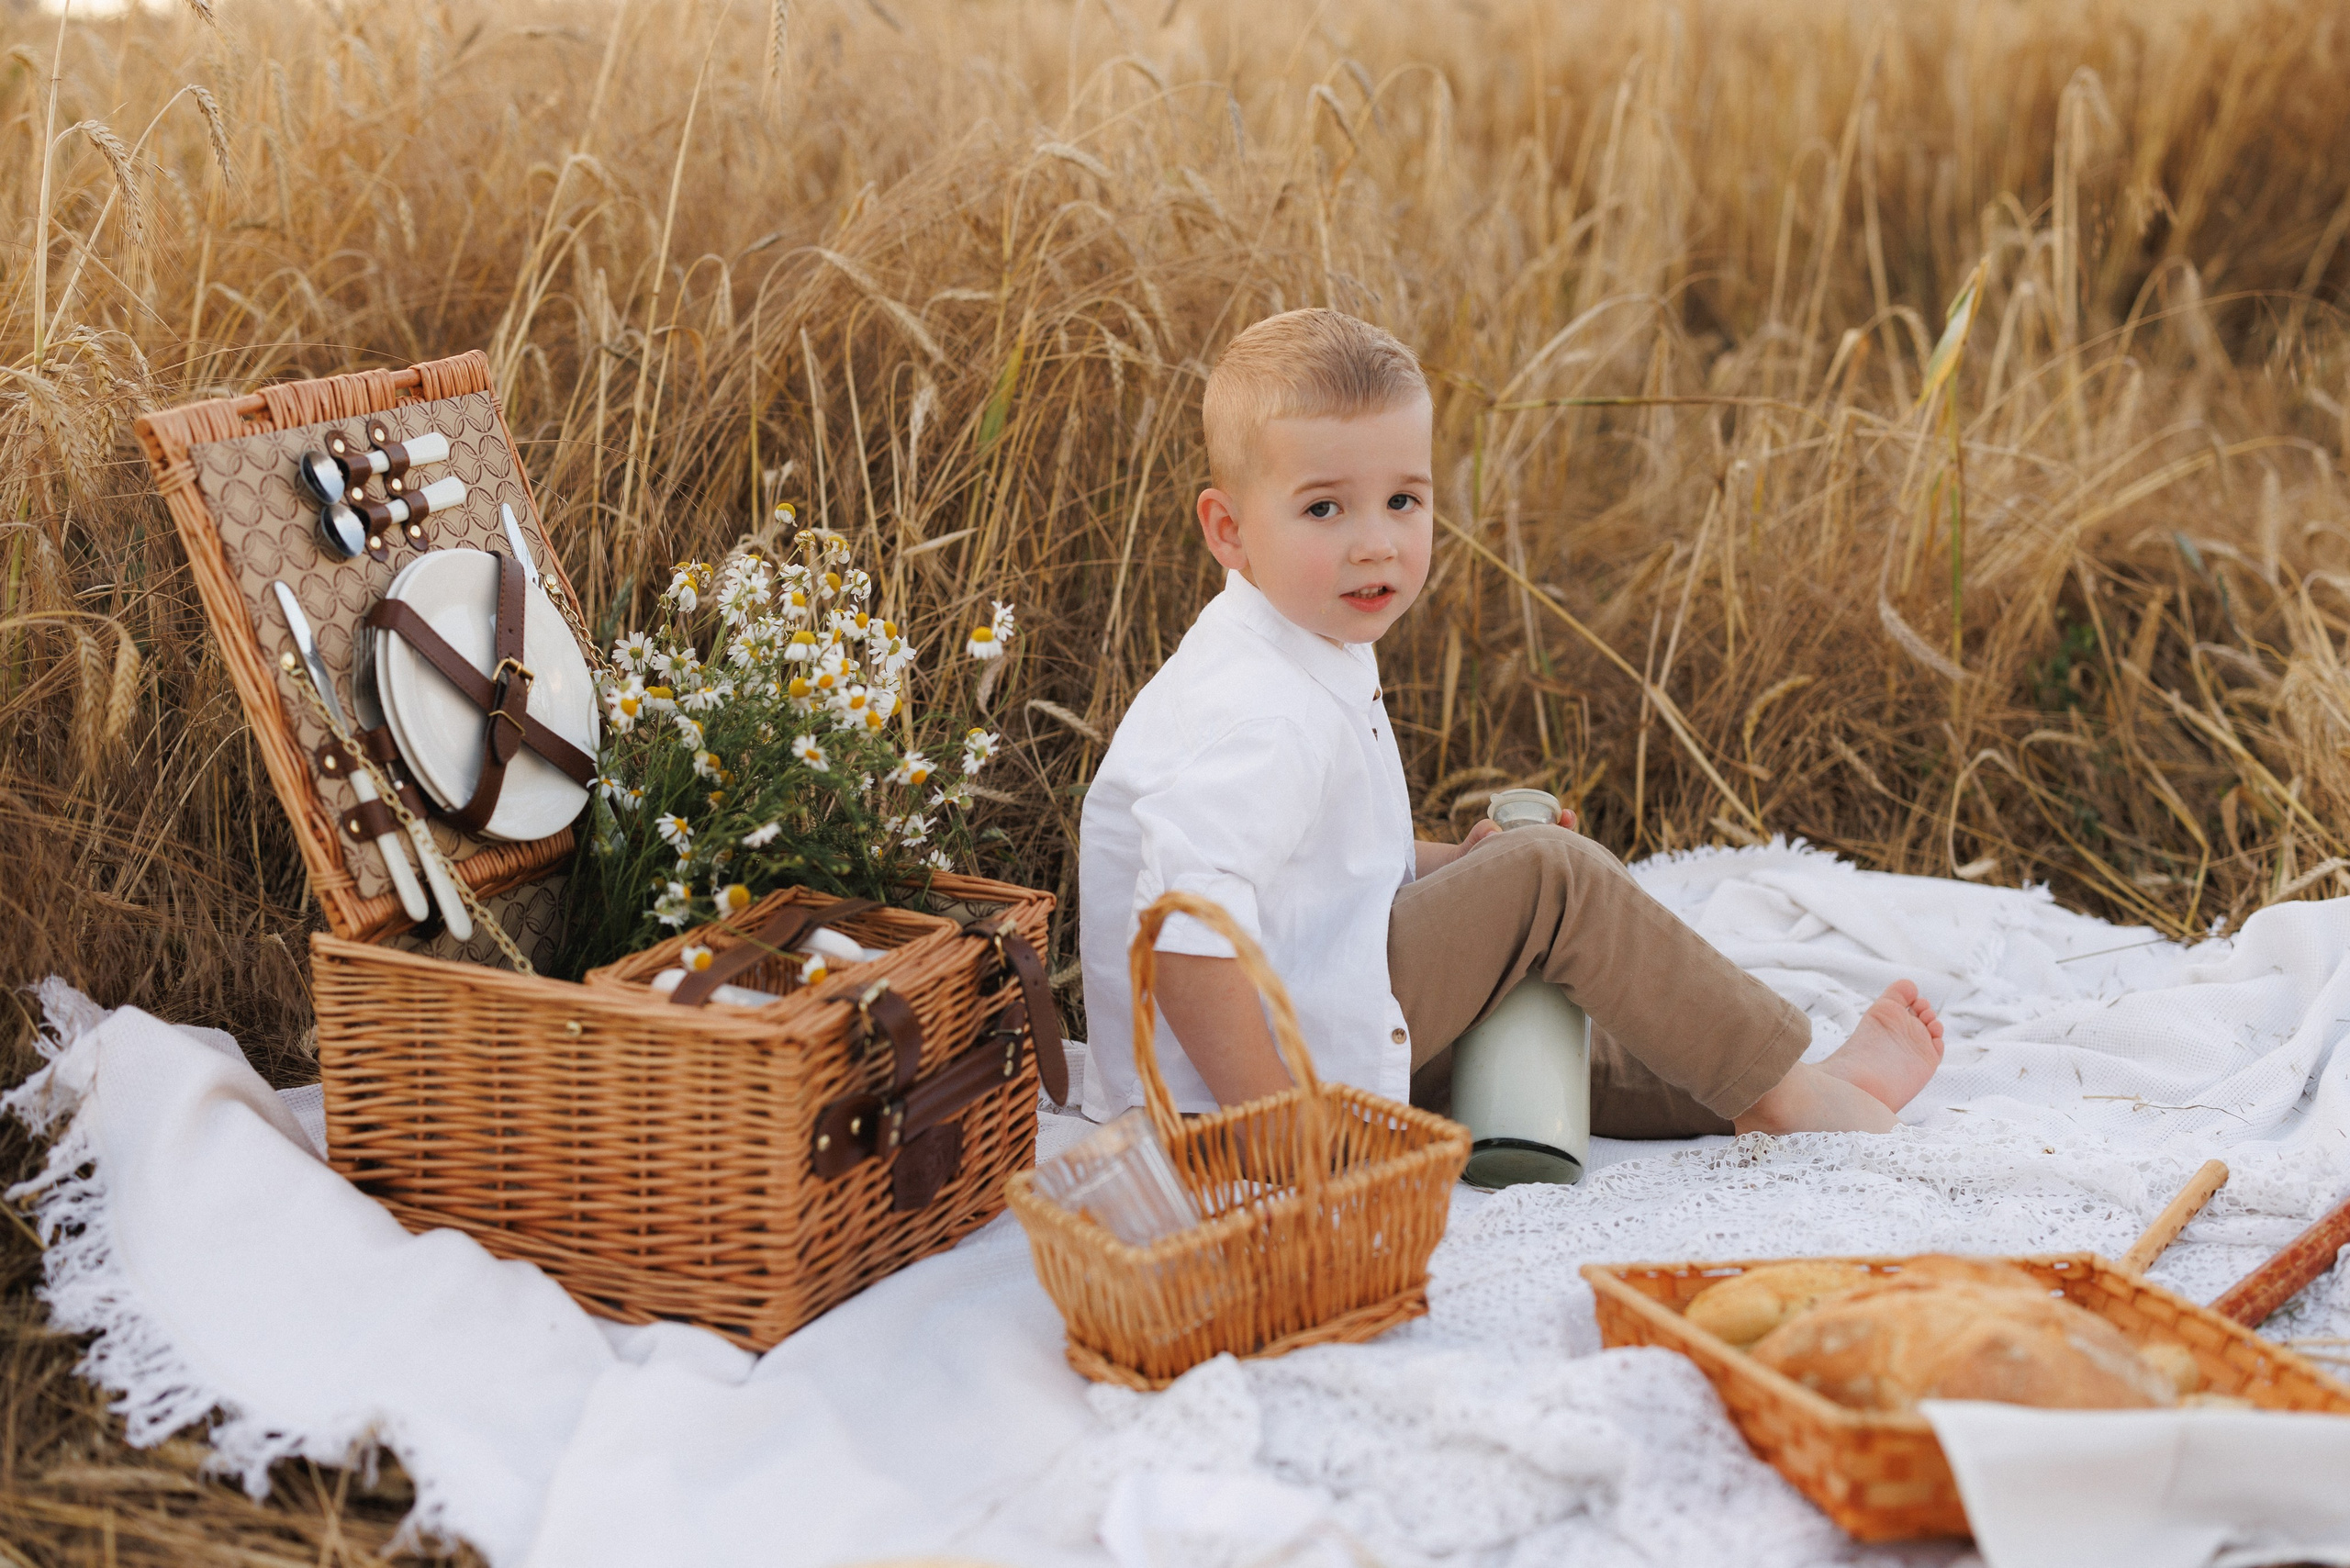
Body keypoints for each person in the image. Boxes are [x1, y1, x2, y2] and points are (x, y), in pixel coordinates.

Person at [1077, 308, 1943, 1137]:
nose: (1376, 542)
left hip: (1317, 1006)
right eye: (1324, 509)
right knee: (1552, 879)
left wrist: (1450, 868)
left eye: (1404, 502)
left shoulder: (1298, 634)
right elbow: (1186, 936)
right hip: (1246, 1081)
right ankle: (1790, 1094)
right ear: (1228, 529)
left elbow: (1307, 869)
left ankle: (1780, 1086)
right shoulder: (1257, 709)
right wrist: (1279, 1132)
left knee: (1536, 1032)